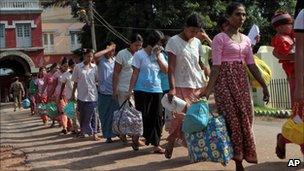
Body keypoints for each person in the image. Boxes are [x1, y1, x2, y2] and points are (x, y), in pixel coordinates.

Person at [200, 2, 270, 171]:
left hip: (241, 82)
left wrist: (264, 85)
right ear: (229, 17)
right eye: (238, 14)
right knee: (232, 120)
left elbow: (252, 65)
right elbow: (216, 66)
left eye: (244, 14)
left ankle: (243, 154)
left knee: (246, 119)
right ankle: (238, 160)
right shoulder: (219, 38)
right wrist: (207, 91)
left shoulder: (246, 40)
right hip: (224, 83)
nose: (242, 18)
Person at [165, 13, 207, 159]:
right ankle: (171, 140)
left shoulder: (197, 42)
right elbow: (170, 67)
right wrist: (172, 88)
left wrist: (206, 71)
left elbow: (199, 63)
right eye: (192, 31)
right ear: (185, 27)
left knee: (196, 119)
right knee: (181, 117)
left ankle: (193, 149)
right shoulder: (173, 42)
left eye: (197, 32)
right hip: (181, 84)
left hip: (198, 84)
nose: (194, 34)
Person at [127, 30, 167, 153]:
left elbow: (166, 70)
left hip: (157, 89)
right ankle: (136, 137)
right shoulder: (139, 55)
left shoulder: (160, 55)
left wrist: (158, 57)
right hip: (141, 90)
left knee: (158, 117)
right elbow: (135, 73)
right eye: (159, 43)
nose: (160, 46)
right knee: (142, 117)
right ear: (152, 42)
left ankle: (156, 144)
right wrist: (130, 90)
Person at [112, 33, 143, 143]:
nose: (138, 48)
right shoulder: (122, 54)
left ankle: (133, 135)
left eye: (140, 45)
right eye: (136, 45)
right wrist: (114, 89)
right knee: (126, 113)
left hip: (138, 88)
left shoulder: (140, 54)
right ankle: (124, 134)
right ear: (130, 44)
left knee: (136, 113)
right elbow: (116, 73)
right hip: (124, 89)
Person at [71, 48, 100, 141]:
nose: (90, 58)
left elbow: (97, 80)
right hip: (81, 96)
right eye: (88, 56)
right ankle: (83, 131)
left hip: (93, 95)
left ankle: (94, 133)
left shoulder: (95, 67)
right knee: (82, 115)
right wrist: (73, 94)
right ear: (84, 56)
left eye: (91, 56)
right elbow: (75, 82)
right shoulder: (78, 67)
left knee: (94, 114)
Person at [95, 42, 120, 143]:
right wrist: (107, 49)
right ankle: (108, 136)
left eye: (113, 50)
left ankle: (119, 134)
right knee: (104, 115)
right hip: (103, 92)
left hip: (114, 91)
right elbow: (95, 56)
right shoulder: (101, 60)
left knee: (115, 114)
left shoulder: (115, 61)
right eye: (110, 50)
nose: (111, 52)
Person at [271, 11, 295, 105]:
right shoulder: (280, 38)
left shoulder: (287, 36)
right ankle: (297, 116)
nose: (291, 26)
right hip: (293, 70)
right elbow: (283, 54)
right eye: (289, 24)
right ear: (280, 27)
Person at [60, 59, 79, 134]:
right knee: (73, 113)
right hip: (70, 97)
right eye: (73, 66)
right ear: (70, 67)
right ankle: (76, 129)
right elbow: (62, 85)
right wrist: (60, 94)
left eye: (75, 66)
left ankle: (77, 128)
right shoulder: (66, 75)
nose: (74, 68)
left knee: (79, 113)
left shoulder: (79, 73)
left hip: (80, 96)